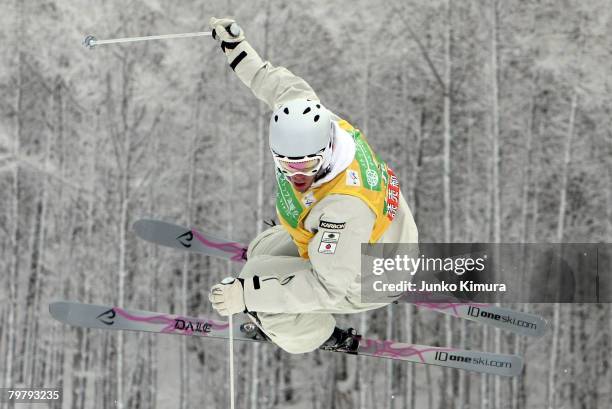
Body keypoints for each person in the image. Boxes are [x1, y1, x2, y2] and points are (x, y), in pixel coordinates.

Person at [207, 17, 418, 354]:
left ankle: (316, 332)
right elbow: (274, 83)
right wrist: (236, 49)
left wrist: (248, 295)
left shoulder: (344, 208)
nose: (297, 174)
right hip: (380, 238)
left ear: (326, 150)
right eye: (286, 164)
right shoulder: (314, 116)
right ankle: (277, 308)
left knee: (261, 289)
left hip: (372, 272)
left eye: (307, 163)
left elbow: (328, 288)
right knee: (261, 252)